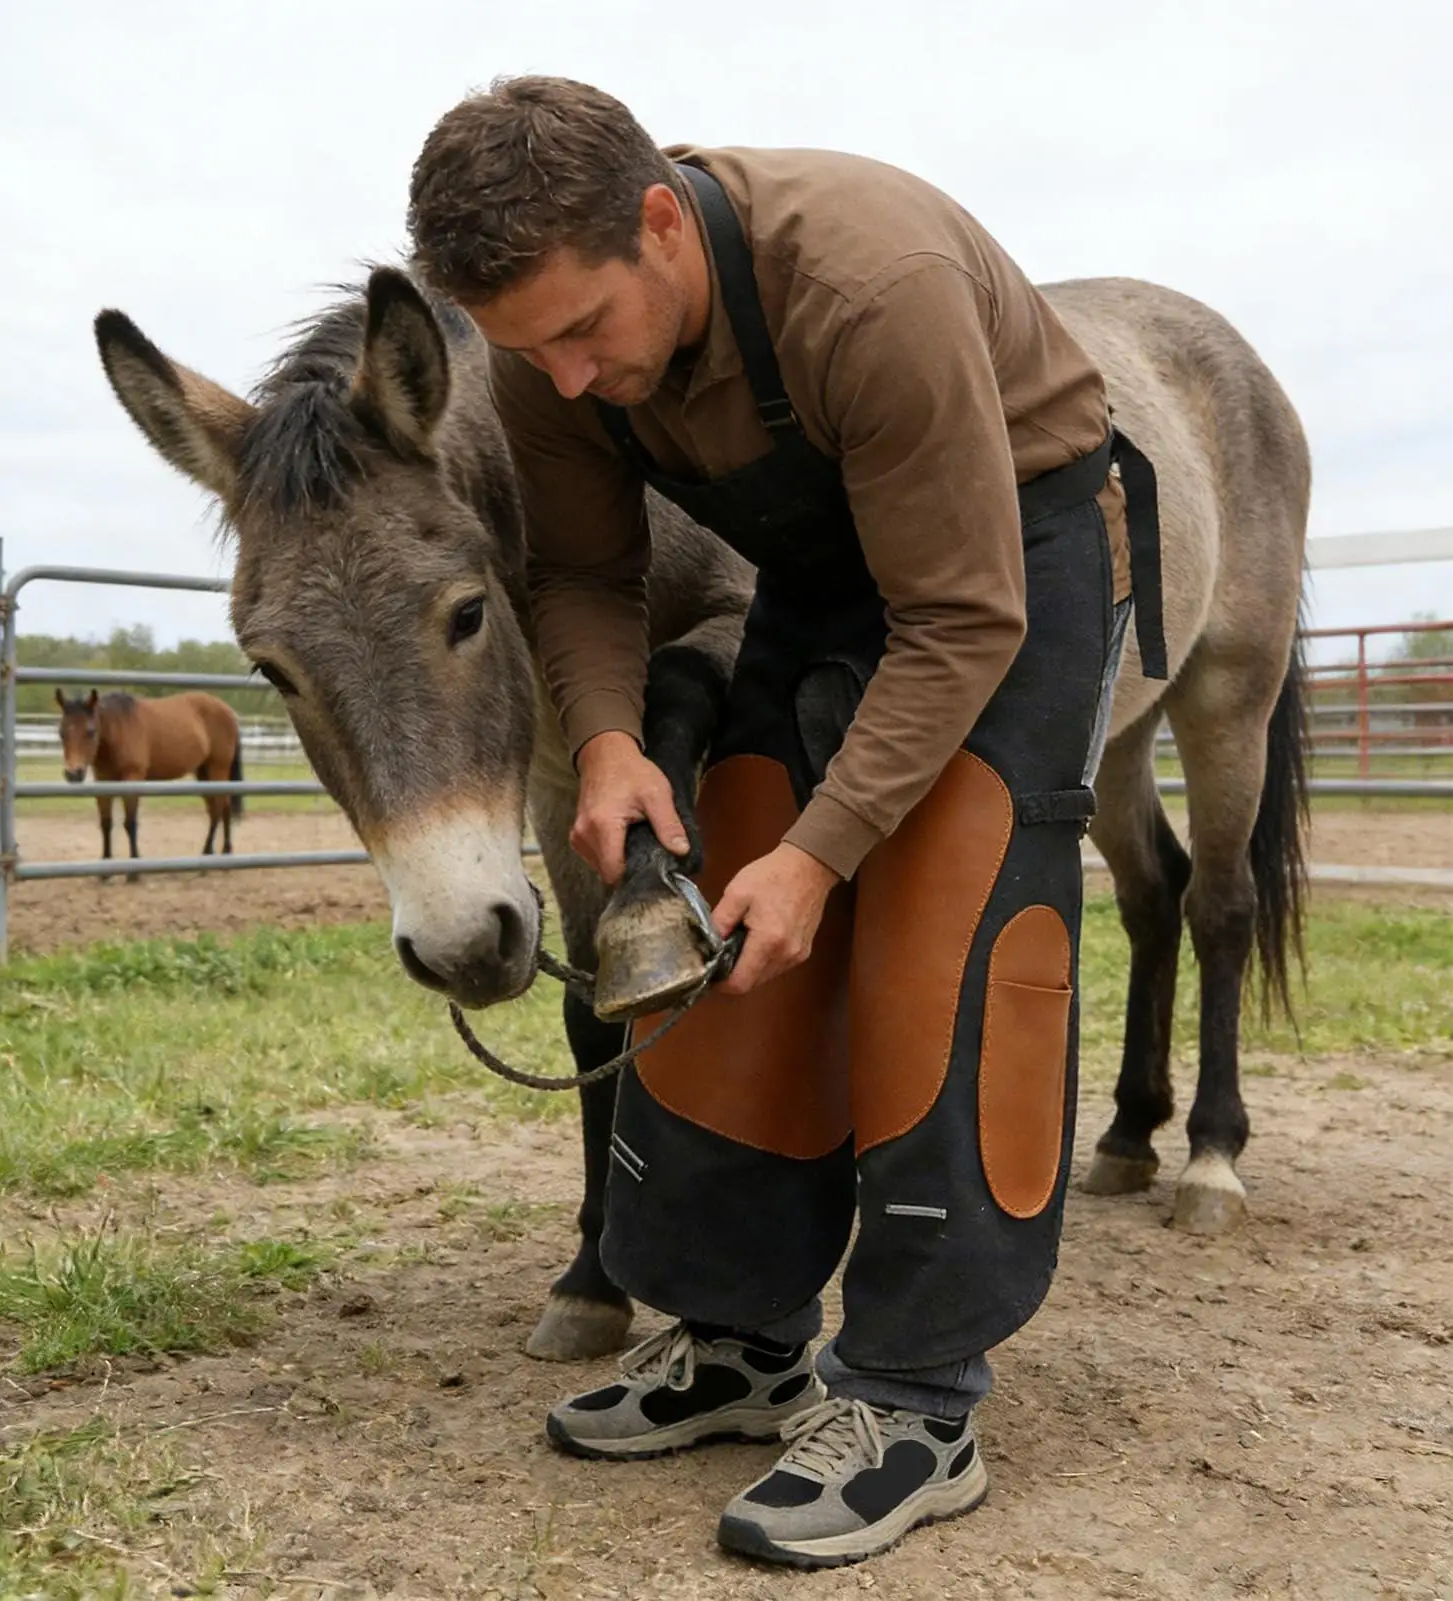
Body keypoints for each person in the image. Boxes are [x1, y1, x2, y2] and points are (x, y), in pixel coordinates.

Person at [407, 75, 1160, 1570]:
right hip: (821, 571)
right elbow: (581, 575)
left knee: (941, 922)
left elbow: (959, 612)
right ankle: (741, 1341)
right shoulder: (542, 355)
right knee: (719, 906)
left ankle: (915, 1398)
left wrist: (828, 858)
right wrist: (614, 744)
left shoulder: (870, 284)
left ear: (663, 225)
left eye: (582, 333)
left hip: (1015, 556)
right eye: (524, 351)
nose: (559, 380)